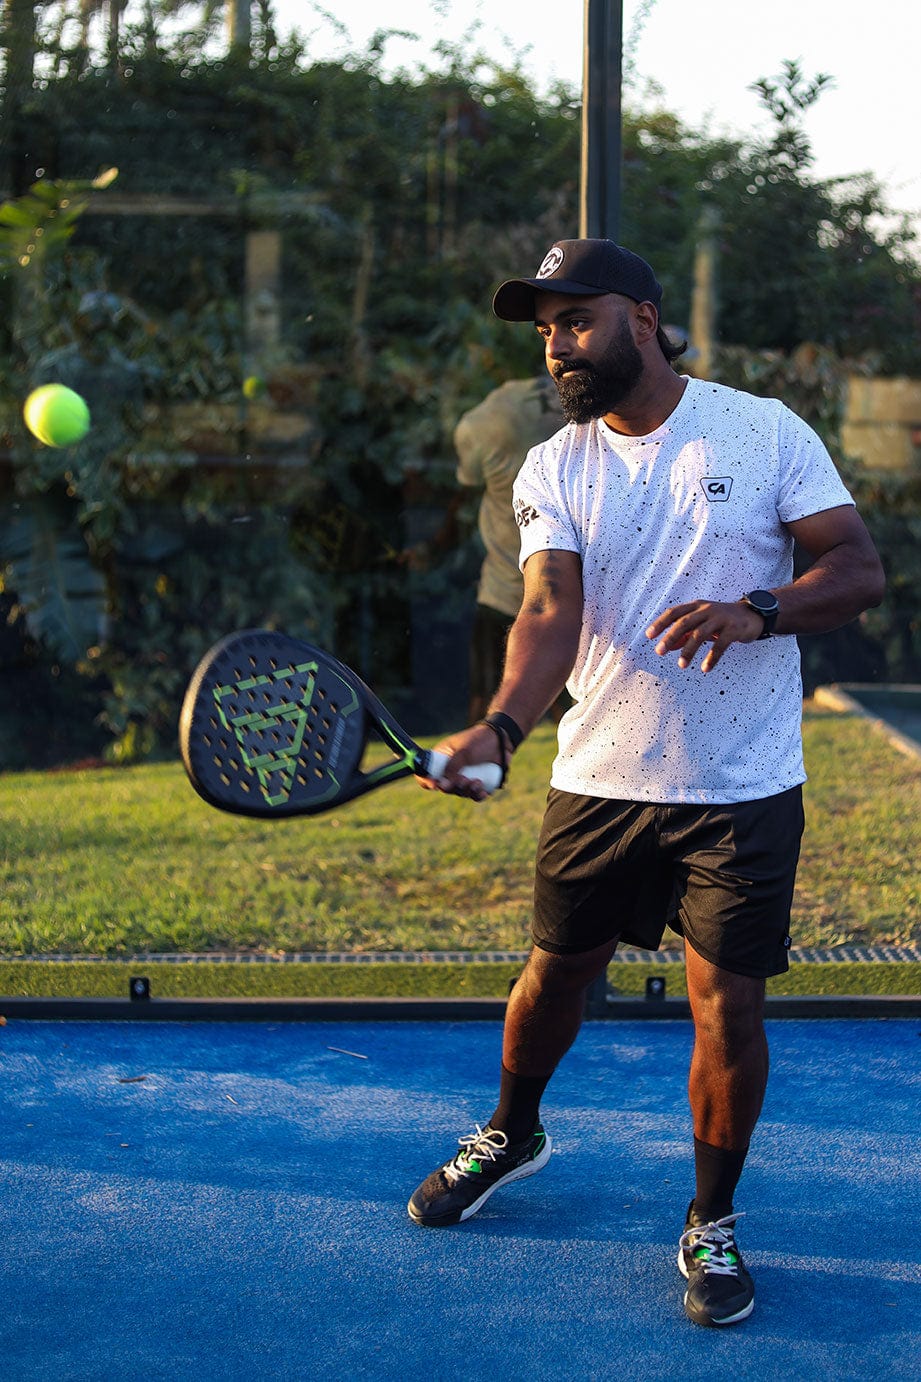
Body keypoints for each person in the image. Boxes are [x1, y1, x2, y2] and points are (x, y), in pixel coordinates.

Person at [406, 238, 885, 1328]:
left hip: (743, 786)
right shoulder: (553, 465)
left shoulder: (763, 431)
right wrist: (501, 727)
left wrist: (757, 608)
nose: (558, 344)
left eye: (577, 319)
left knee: (729, 1004)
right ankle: (511, 1130)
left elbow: (855, 567)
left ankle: (711, 1219)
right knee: (551, 980)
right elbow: (545, 611)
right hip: (601, 779)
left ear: (643, 316)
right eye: (544, 328)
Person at [453, 376, 563, 720]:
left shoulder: (481, 423)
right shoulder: (585, 409)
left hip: (518, 590)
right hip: (552, 588)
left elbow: (463, 499)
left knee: (489, 703)